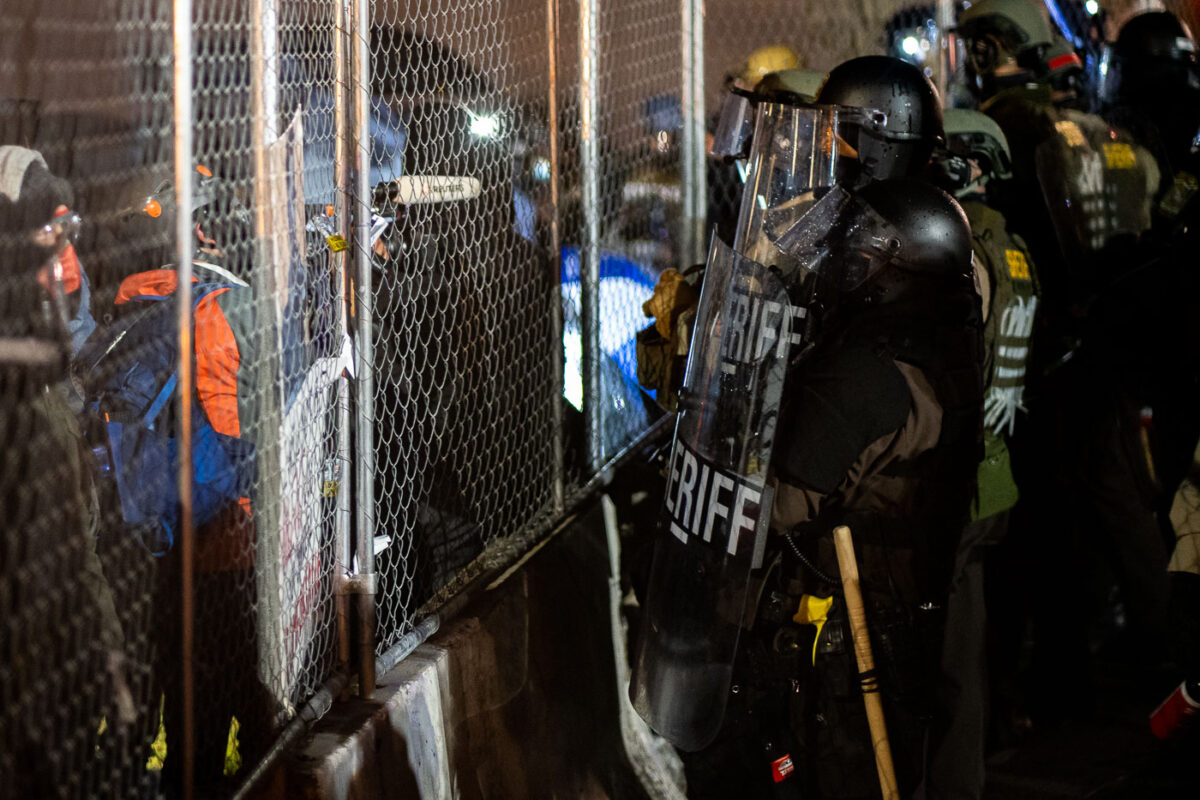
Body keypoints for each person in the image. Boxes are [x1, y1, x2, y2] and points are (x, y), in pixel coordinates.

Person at [631, 56, 983, 799]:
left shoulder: (916, 252)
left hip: (861, 588)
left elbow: (788, 484)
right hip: (829, 577)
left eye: (845, 138)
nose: (832, 155)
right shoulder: (878, 238)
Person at [955, 0, 1168, 727]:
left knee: (1043, 526)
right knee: (1117, 504)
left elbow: (1013, 258)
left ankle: (1051, 687)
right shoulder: (1092, 128)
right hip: (1108, 347)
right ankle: (1161, 660)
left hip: (1043, 358)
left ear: (988, 49)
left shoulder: (1004, 133)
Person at [81, 164, 272, 795]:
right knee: (241, 702)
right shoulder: (219, 308)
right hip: (226, 544)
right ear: (199, 229)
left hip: (152, 546)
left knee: (183, 693)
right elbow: (245, 432)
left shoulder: (130, 304)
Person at [0, 145, 133, 797]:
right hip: (43, 400)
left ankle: (86, 710)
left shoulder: (45, 241)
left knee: (67, 557)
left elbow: (64, 330)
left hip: (47, 400)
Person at [925, 109, 1038, 798]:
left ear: (964, 166)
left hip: (956, 478)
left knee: (944, 667)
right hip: (994, 470)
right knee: (965, 650)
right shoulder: (1013, 243)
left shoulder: (963, 246)